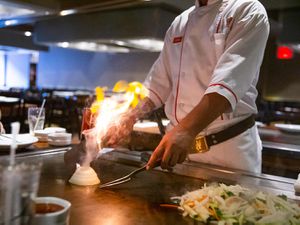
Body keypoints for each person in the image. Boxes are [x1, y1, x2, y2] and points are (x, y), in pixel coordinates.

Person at [102, 0, 269, 174]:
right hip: (179, 153)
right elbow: (156, 85)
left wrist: (185, 131)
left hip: (227, 152)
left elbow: (226, 87)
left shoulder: (248, 10)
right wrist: (128, 116)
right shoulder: (180, 22)